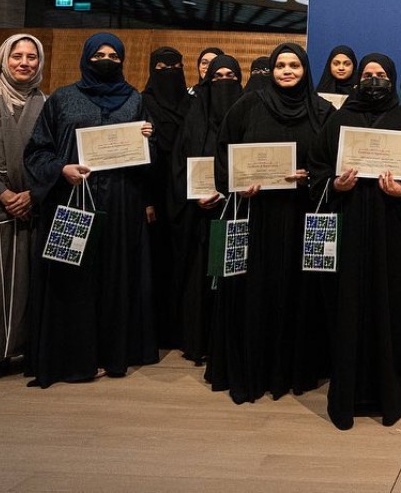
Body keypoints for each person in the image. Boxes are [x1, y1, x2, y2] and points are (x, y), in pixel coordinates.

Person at [307, 53, 401, 430]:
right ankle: (347, 393)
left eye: (381, 75)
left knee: (392, 307)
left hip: (395, 235)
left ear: (391, 79)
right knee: (347, 307)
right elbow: (317, 166)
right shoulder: (338, 120)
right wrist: (335, 184)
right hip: (348, 230)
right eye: (368, 74)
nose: (374, 80)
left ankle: (389, 390)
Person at [24, 32, 158, 387]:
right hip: (72, 200)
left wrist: (148, 140)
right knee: (74, 280)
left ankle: (112, 354)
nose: (106, 60)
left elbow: (148, 161)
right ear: (86, 58)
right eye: (99, 55)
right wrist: (61, 169)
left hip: (120, 205)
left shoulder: (134, 99)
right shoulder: (62, 99)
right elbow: (37, 151)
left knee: (115, 277)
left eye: (114, 55)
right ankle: (74, 358)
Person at [208, 42, 332, 404]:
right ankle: (255, 369)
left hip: (302, 216)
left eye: (295, 65)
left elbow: (332, 161)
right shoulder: (248, 105)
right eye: (280, 65)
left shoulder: (322, 111)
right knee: (256, 292)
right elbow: (224, 152)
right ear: (271, 70)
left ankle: (295, 370)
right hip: (257, 217)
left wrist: (310, 176)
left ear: (306, 70)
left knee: (298, 293)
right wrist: (237, 183)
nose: (287, 71)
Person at [170, 54, 243, 364]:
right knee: (200, 278)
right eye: (217, 77)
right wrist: (194, 197)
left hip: (239, 212)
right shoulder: (194, 115)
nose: (223, 81)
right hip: (200, 216)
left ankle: (229, 343)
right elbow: (179, 162)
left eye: (230, 76)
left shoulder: (247, 113)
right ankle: (199, 341)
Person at [0, 34, 45, 378]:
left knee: (27, 286)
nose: (24, 63)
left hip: (32, 209)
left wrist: (33, 193)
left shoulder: (47, 104)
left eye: (31, 57)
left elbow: (58, 153)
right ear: (3, 60)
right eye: (17, 56)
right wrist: (1, 193)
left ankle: (23, 349)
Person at [141, 46, 189, 349]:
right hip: (155, 194)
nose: (169, 73)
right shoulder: (141, 104)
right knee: (155, 261)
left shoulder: (192, 104)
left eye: (175, 67)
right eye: (161, 68)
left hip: (186, 193)